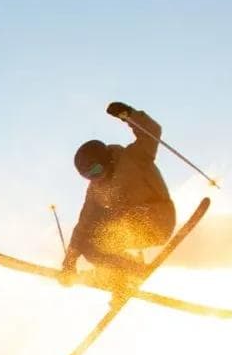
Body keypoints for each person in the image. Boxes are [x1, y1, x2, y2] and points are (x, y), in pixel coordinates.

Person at [61, 102, 176, 288]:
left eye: (97, 169)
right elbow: (83, 225)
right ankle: (123, 280)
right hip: (132, 230)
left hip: (157, 217)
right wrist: (69, 261)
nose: (96, 177)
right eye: (89, 175)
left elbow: (152, 132)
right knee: (89, 246)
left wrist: (129, 114)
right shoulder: (95, 189)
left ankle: (125, 272)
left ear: (106, 158)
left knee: (104, 221)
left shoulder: (133, 157)